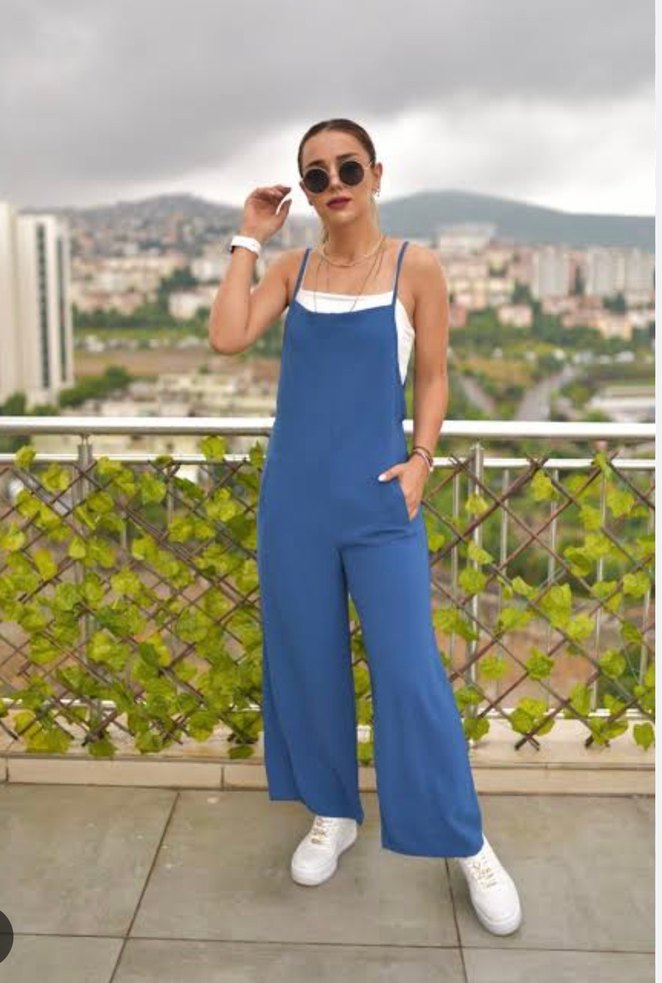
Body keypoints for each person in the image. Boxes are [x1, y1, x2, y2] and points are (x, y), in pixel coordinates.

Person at [209, 118, 522, 936]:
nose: (334, 183)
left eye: (348, 167)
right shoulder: (290, 269)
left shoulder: (417, 267)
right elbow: (227, 335)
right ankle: (333, 811)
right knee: (307, 661)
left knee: (411, 671)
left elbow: (434, 377)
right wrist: (248, 236)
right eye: (316, 174)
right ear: (306, 191)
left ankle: (467, 840)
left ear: (376, 174)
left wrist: (422, 459)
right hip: (295, 505)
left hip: (383, 505)